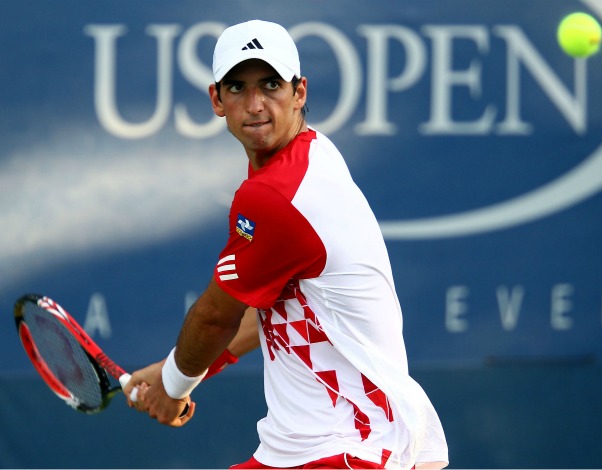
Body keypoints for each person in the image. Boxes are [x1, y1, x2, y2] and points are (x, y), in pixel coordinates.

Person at [124, 19, 449, 470]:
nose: (255, 105)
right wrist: (177, 371)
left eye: (271, 85)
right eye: (238, 88)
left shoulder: (277, 195)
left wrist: (173, 387)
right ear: (217, 100)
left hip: (348, 448)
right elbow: (269, 308)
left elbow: (218, 316)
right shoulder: (315, 154)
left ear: (300, 93)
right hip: (329, 446)